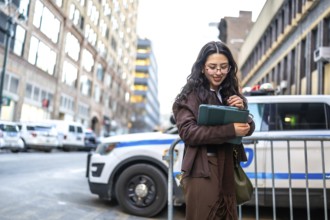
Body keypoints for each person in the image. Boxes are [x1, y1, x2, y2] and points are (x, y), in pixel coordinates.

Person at [172, 41, 255, 220]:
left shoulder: (230, 93)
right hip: (202, 169)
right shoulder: (189, 97)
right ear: (202, 68)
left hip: (227, 168)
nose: (218, 72)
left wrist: (242, 111)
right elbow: (188, 133)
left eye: (224, 67)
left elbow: (248, 129)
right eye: (212, 67)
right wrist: (230, 130)